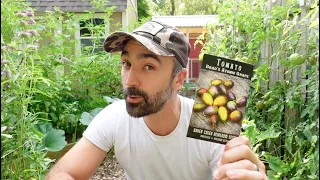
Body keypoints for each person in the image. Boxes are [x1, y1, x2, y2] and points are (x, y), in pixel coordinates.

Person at [45, 21, 268, 180]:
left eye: (148, 67)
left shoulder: (211, 121)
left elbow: (236, 171)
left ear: (178, 79)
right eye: (127, 64)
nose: (130, 80)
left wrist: (248, 173)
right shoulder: (114, 117)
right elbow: (64, 173)